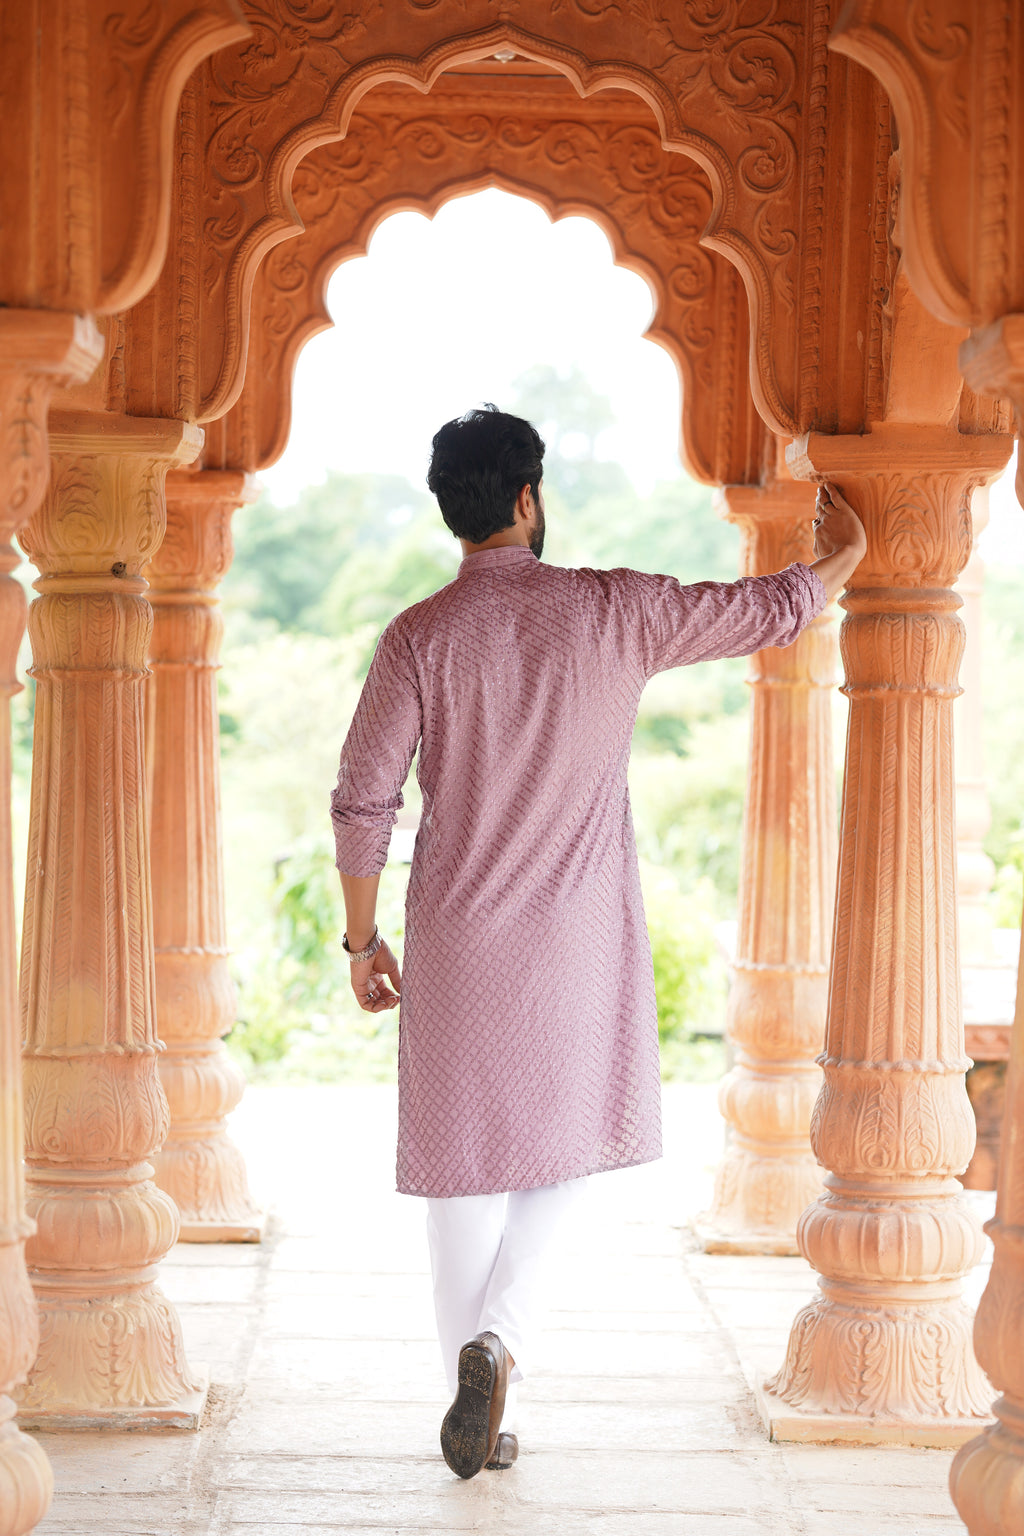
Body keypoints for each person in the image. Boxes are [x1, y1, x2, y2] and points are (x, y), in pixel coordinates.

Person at [329, 404, 866, 1480]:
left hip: (455, 939)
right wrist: (842, 554)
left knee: (456, 1171)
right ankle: (502, 1342)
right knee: (572, 1142)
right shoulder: (615, 611)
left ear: (454, 511)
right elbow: (764, 609)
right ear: (528, 499)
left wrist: (359, 941)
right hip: (573, 940)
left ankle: (470, 1401)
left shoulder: (418, 636)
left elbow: (361, 801)